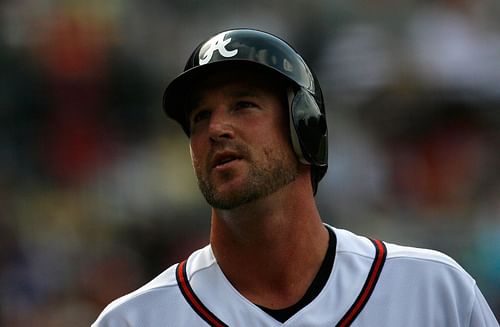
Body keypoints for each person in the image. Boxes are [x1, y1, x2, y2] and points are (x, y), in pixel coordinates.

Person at [92, 29, 498, 326]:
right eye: (200, 117)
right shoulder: (135, 320)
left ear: (305, 127)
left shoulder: (433, 291)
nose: (216, 129)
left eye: (244, 105)